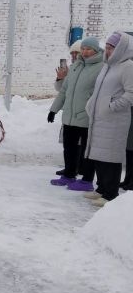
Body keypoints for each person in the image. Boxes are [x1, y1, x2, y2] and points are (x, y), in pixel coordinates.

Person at [83, 31, 133, 207]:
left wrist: (112, 107)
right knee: (99, 155)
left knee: (111, 157)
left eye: (112, 48)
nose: (109, 51)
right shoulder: (108, 66)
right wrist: (92, 104)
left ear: (121, 49)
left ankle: (110, 194)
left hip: (115, 121)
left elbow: (131, 94)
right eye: (108, 47)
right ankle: (101, 188)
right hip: (100, 119)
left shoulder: (127, 66)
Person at [47, 37, 103, 191]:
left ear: (96, 50)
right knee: (69, 148)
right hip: (70, 116)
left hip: (87, 116)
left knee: (87, 150)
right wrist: (54, 109)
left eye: (88, 49)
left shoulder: (101, 67)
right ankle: (69, 175)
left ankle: (86, 180)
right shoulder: (76, 67)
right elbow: (64, 90)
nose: (85, 52)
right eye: (83, 48)